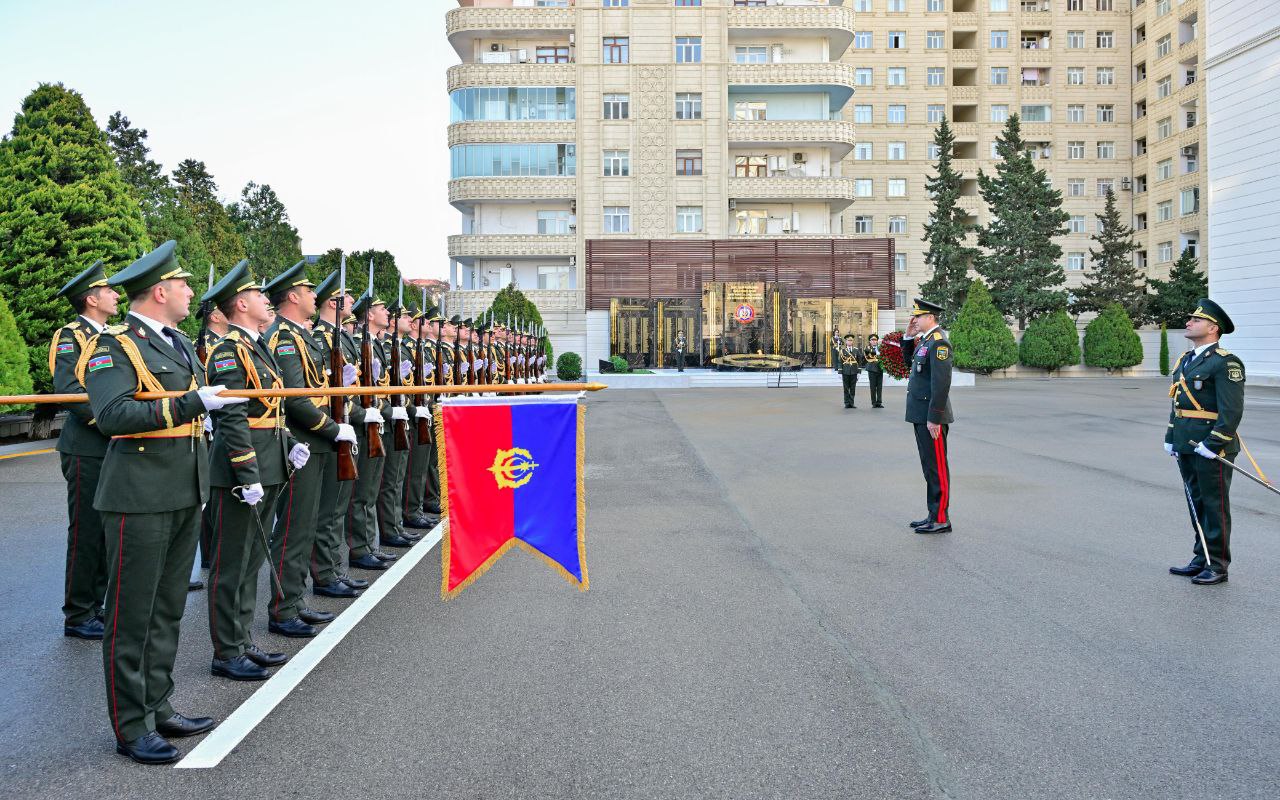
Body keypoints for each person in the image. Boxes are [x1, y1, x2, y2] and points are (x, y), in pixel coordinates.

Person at [83, 240, 245, 764]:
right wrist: (191, 403)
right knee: (132, 614)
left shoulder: (174, 342)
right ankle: (131, 725)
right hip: (139, 494)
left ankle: (158, 705)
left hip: (182, 489)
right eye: (183, 284)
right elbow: (112, 416)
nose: (192, 292)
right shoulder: (116, 345)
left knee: (167, 610)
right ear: (160, 291)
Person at [201, 260, 298, 674]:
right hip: (243, 468)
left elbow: (271, 406)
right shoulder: (227, 350)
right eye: (259, 294)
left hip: (268, 459)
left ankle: (242, 639)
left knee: (252, 559)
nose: (265, 299)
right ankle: (227, 652)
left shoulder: (256, 345)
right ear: (241, 304)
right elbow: (234, 417)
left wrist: (290, 443)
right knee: (231, 564)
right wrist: (248, 472)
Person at [264, 261, 359, 633]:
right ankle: (283, 609)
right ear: (292, 297)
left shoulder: (301, 336)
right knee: (292, 529)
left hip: (315, 440)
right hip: (302, 440)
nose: (314, 296)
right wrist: (332, 429)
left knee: (306, 526)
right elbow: (296, 399)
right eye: (307, 291)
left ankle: (294, 600)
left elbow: (316, 387)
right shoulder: (283, 338)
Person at [50, 260, 116, 640]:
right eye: (107, 290)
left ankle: (97, 604)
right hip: (87, 445)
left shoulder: (110, 335)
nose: (114, 295)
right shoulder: (72, 336)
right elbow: (70, 393)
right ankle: (78, 614)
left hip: (110, 444)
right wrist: (114, 421)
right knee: (87, 531)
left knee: (107, 529)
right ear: (91, 299)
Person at [1166, 298, 1245, 585]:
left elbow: (1231, 410)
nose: (1188, 323)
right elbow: (1177, 402)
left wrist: (1214, 443)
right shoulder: (1187, 360)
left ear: (1213, 328)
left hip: (1212, 447)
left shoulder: (1226, 362)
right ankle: (1202, 558)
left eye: (1195, 320)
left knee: (1214, 505)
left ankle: (1218, 566)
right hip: (1187, 443)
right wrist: (1171, 437)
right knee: (1196, 502)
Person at [311, 272, 369, 597]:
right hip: (331, 425)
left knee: (337, 505)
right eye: (345, 297)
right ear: (333, 303)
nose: (351, 302)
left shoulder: (339, 335)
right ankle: (326, 574)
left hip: (344, 421)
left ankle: (335, 569)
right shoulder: (321, 338)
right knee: (329, 509)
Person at [347, 292, 397, 571]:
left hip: (375, 418)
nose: (387, 312)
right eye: (381, 307)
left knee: (371, 489)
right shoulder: (357, 343)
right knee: (362, 492)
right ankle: (359, 548)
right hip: (360, 423)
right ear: (368, 315)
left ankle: (368, 545)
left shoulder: (375, 343)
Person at [900, 299, 954, 534]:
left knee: (937, 467)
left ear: (930, 317)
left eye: (918, 317)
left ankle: (941, 518)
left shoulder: (939, 343)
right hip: (921, 414)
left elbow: (941, 384)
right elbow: (908, 366)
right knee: (929, 467)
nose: (915, 320)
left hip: (932, 417)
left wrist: (935, 417)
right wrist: (907, 337)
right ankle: (933, 514)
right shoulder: (925, 342)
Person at [376, 304, 417, 550]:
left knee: (398, 476)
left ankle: (396, 524)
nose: (410, 320)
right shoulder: (384, 345)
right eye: (404, 316)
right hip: (385, 417)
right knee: (386, 482)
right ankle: (388, 529)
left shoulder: (398, 347)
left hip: (400, 414)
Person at [833, 332, 863, 409]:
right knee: (846, 388)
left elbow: (860, 361)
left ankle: (851, 403)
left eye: (851, 340)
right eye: (848, 340)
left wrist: (859, 372)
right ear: (846, 342)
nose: (850, 342)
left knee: (853, 388)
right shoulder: (842, 351)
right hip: (845, 371)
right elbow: (840, 362)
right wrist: (840, 372)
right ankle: (846, 403)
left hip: (854, 371)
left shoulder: (856, 350)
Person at [864, 333, 884, 408]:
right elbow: (869, 354)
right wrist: (877, 353)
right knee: (873, 387)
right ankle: (874, 402)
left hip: (879, 368)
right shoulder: (867, 348)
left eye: (875, 340)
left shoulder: (881, 348)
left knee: (879, 387)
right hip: (872, 369)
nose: (874, 341)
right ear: (870, 341)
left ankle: (879, 402)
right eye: (872, 340)